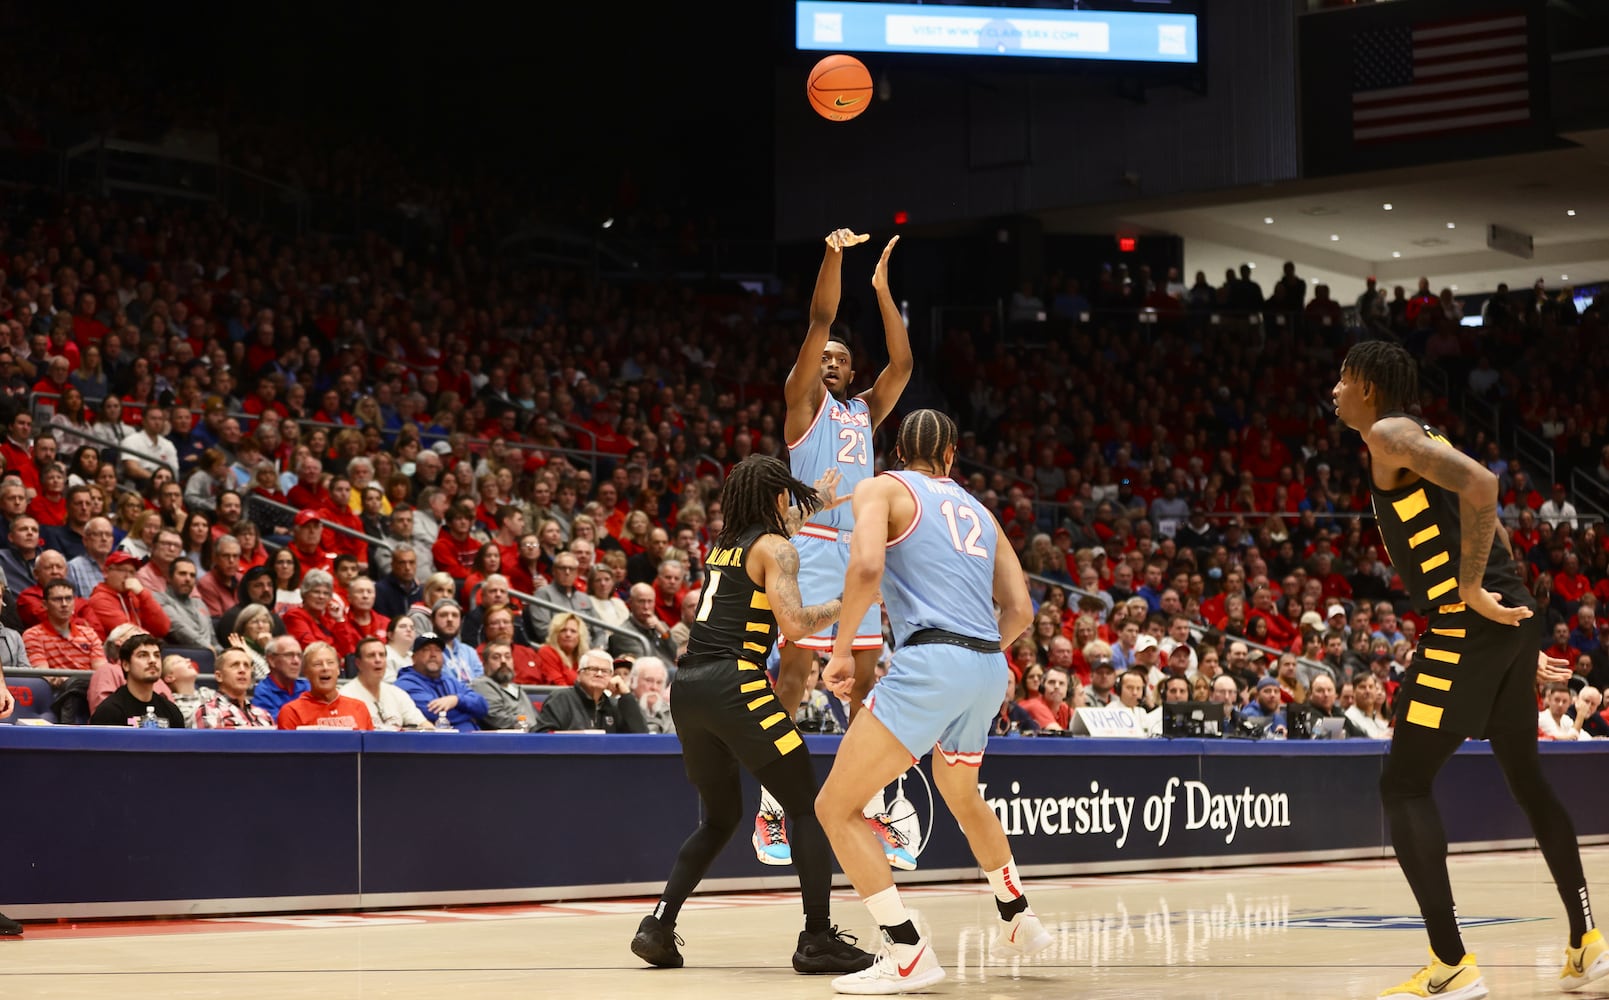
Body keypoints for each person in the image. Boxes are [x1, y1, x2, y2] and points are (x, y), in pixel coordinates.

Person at [1332, 340, 1604, 996]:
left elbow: (1483, 486)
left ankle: (1450, 963)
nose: (1333, 390)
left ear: (1367, 386)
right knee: (1526, 779)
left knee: (1403, 784)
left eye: (1341, 378)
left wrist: (1476, 593)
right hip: (1500, 627)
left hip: (1461, 625)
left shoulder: (1390, 431)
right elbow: (1494, 523)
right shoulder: (1421, 433)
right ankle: (1585, 939)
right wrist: (1509, 620)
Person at [814, 410, 1052, 994]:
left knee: (835, 808)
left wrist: (842, 652)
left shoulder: (882, 487)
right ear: (950, 457)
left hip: (934, 660)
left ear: (898, 454)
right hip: (988, 666)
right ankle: (1017, 916)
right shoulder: (981, 510)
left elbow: (867, 565)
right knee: (963, 794)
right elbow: (1020, 609)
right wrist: (975, 657)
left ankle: (905, 951)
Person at [629, 454, 871, 977]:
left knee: (720, 817)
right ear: (776, 498)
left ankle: (658, 926)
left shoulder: (726, 546)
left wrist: (818, 506)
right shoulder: (776, 550)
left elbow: (774, 545)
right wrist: (849, 600)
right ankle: (817, 939)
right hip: (736, 683)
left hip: (689, 688)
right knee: (808, 805)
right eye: (788, 493)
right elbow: (797, 624)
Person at [764, 230, 911, 867]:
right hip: (811, 548)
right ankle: (774, 806)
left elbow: (902, 367)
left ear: (851, 370)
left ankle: (866, 804)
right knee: (793, 679)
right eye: (820, 356)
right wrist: (834, 257)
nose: (828, 362)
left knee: (865, 688)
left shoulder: (864, 412)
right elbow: (821, 314)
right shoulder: (802, 407)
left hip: (858, 555)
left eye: (839, 358)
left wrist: (883, 293)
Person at [532, 648, 648, 734]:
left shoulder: (614, 705)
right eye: (593, 669)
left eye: (605, 671)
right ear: (579, 674)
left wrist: (626, 695)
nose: (599, 674)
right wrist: (583, 736)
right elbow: (541, 736)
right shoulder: (561, 698)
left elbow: (641, 737)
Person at [395, 630, 489, 732]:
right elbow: (435, 714)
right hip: (437, 744)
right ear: (414, 658)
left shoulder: (450, 681)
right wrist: (471, 714)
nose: (433, 654)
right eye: (426, 650)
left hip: (471, 740)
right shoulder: (405, 684)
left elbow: (482, 706)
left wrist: (457, 700)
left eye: (438, 650)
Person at [89, 632, 187, 728]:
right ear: (126, 665)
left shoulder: (171, 711)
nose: (153, 660)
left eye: (156, 655)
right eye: (143, 655)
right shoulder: (109, 711)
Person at [276, 641, 374, 730]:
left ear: (338, 670)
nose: (325, 668)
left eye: (330, 663)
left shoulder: (359, 707)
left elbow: (372, 747)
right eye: (317, 664)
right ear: (306, 672)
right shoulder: (291, 712)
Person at [342, 636, 431, 730]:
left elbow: (424, 725)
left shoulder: (397, 693)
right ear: (358, 663)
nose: (378, 660)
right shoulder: (346, 695)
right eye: (371, 655)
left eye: (382, 655)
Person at [193, 648, 276, 728]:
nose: (242, 670)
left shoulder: (264, 714)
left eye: (246, 665)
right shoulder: (208, 711)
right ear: (219, 676)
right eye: (235, 665)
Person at [470, 640, 540, 731]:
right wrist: (531, 727)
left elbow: (535, 718)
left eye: (508, 657)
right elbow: (498, 719)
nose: (503, 661)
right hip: (504, 741)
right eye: (496, 657)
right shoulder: (481, 684)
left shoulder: (515, 687)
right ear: (485, 664)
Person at [251, 634, 309, 721]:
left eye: (299, 656)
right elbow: (278, 726)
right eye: (289, 655)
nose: (296, 661)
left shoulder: (308, 686)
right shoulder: (262, 693)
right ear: (271, 660)